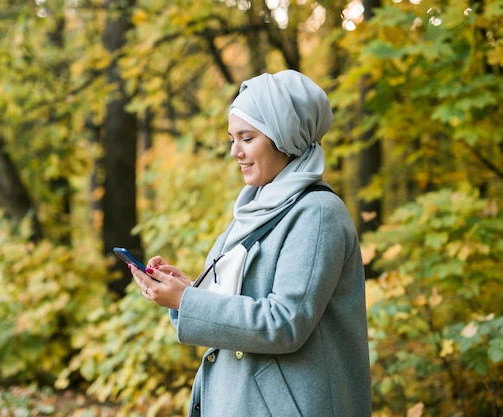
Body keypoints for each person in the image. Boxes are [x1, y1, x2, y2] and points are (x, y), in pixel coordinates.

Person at [130, 69, 371, 417]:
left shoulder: (317, 212)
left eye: (247, 138)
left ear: (284, 137)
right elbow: (233, 309)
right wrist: (185, 293)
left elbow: (285, 323)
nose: (235, 152)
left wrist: (187, 300)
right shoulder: (252, 210)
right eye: (232, 138)